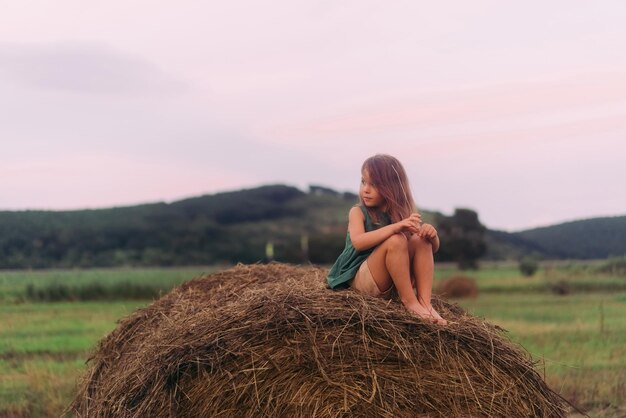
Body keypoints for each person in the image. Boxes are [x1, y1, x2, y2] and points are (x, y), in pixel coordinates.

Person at [327, 154, 446, 324]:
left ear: (391, 188)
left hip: (391, 283)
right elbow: (359, 243)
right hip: (360, 280)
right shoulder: (358, 212)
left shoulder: (401, 215)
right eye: (363, 182)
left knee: (420, 240)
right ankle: (410, 302)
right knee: (396, 240)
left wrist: (432, 236)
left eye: (374, 184)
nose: (365, 189)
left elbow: (429, 249)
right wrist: (396, 227)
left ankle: (425, 304)